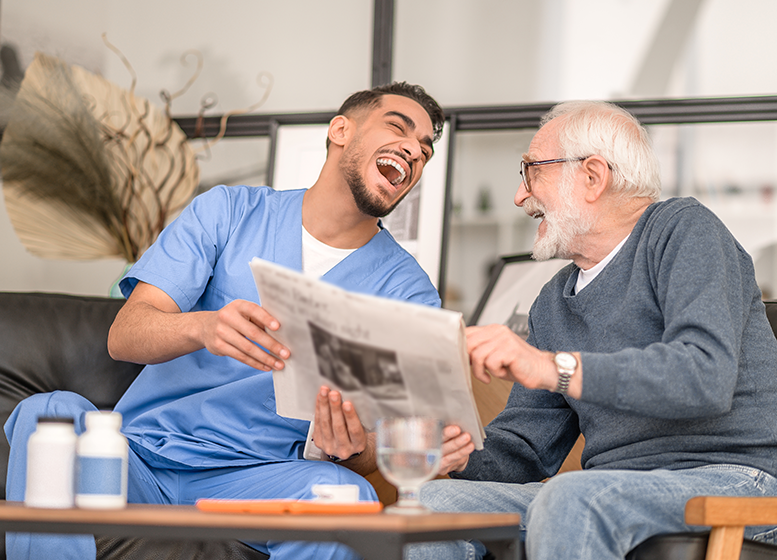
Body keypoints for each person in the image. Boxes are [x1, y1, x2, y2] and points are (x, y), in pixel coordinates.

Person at [5, 81, 446, 560]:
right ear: (341, 130)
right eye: (398, 128)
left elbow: (388, 441)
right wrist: (203, 327)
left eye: (425, 149)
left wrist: (354, 446)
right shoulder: (229, 213)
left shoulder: (409, 291)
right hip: (138, 461)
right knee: (47, 416)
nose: (413, 151)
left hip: (256, 481)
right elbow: (125, 335)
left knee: (344, 498)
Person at [408, 100, 777, 560]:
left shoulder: (683, 230)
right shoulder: (553, 301)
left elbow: (704, 375)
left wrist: (548, 367)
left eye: (531, 172)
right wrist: (459, 454)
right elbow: (523, 449)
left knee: (574, 498)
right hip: (619, 493)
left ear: (593, 176)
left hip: (744, 487)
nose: (520, 197)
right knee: (431, 507)